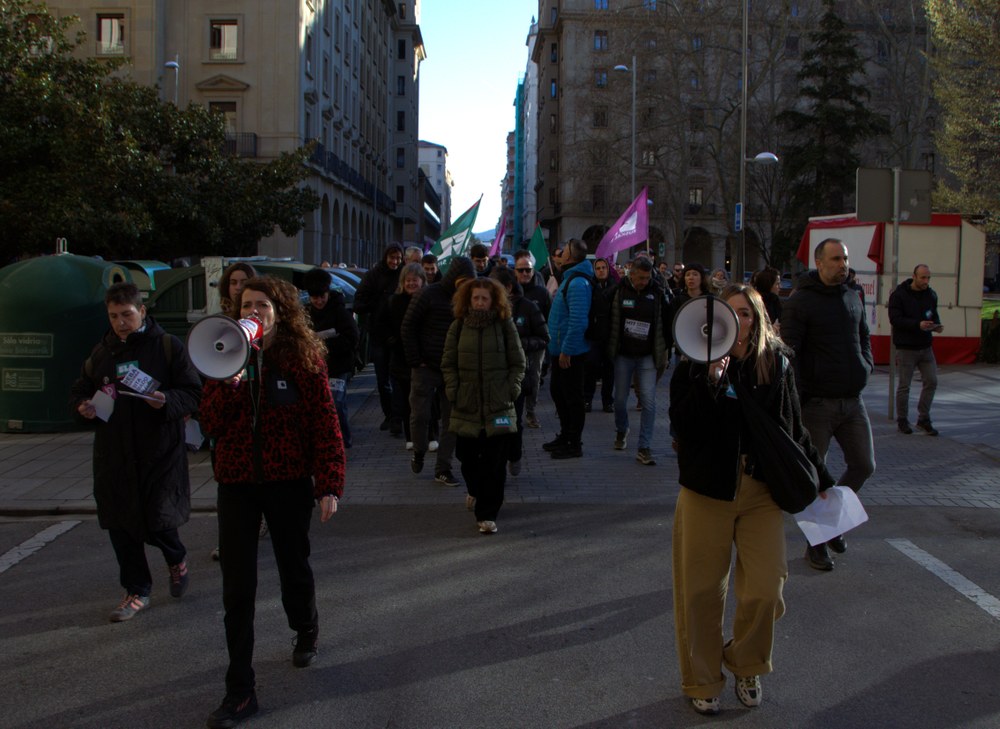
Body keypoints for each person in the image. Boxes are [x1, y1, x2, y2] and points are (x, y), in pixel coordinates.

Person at [669, 283, 834, 715]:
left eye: (746, 314)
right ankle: (702, 679)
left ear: (758, 319)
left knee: (766, 588)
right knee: (701, 593)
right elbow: (683, 427)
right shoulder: (692, 363)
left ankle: (746, 661)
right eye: (731, 313)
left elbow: (793, 430)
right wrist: (709, 379)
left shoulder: (775, 366)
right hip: (707, 491)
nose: (738, 322)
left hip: (761, 491)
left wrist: (823, 476)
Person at [199, 276, 345, 729]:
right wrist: (230, 382)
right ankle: (240, 690)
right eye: (246, 304)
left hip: (288, 481)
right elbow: (210, 424)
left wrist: (330, 483)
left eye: (263, 305)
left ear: (279, 311)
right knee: (237, 589)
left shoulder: (302, 358)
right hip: (237, 483)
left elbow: (325, 423)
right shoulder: (223, 355)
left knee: (292, 565)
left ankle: (305, 625)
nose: (254, 312)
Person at [70, 282, 202, 622]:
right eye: (113, 316)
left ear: (142, 311)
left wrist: (165, 401)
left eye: (127, 315)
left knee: (158, 521)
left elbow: (192, 393)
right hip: (114, 455)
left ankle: (177, 559)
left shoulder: (166, 346)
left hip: (158, 452)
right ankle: (136, 591)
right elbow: (80, 390)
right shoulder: (102, 352)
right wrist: (83, 406)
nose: (120, 323)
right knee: (120, 526)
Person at [781, 238, 875, 571]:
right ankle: (817, 545)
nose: (842, 264)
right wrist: (798, 398)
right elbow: (789, 355)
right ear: (819, 262)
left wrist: (866, 364)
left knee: (864, 465)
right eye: (836, 259)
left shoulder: (853, 295)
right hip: (817, 403)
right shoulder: (801, 301)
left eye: (845, 258)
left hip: (853, 400)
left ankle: (833, 522)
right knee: (814, 477)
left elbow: (863, 335)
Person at [442, 277, 525, 533]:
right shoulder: (457, 326)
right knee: (466, 458)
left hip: (498, 405)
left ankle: (487, 514)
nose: (479, 302)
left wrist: (511, 389)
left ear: (493, 301)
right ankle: (474, 490)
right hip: (466, 405)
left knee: (495, 462)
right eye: (475, 298)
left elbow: (518, 362)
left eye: (484, 298)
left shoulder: (504, 326)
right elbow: (448, 363)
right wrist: (454, 390)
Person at [401, 256, 477, 487]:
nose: (465, 286)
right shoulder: (428, 294)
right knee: (420, 415)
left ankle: (443, 467)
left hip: (453, 369)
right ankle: (419, 451)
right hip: (426, 366)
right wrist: (416, 360)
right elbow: (408, 326)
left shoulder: (468, 300)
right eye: (463, 281)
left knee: (451, 421)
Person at [605, 256, 671, 464]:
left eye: (647, 277)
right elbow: (604, 308)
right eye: (640, 277)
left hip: (647, 356)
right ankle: (621, 430)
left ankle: (644, 446)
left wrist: (666, 350)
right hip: (624, 354)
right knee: (621, 401)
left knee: (649, 403)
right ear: (631, 274)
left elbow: (668, 318)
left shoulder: (657, 292)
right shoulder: (619, 290)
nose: (644, 281)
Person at [492, 268, 549, 475]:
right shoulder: (488, 307)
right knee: (495, 424)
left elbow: (544, 337)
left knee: (512, 421)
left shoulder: (527, 307)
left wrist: (519, 344)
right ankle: (496, 465)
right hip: (491, 378)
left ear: (507, 287)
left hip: (516, 376)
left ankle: (514, 454)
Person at [544, 239, 594, 459]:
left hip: (570, 353)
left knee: (572, 397)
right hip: (560, 350)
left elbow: (578, 321)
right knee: (558, 392)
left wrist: (567, 350)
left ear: (570, 257)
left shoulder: (576, 283)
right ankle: (565, 435)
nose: (560, 254)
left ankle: (574, 443)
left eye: (563, 251)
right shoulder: (570, 278)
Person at [304, 267, 359, 448]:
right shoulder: (306, 314)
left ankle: (343, 440)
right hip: (315, 366)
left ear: (328, 293)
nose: (319, 301)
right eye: (315, 297)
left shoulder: (340, 312)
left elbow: (352, 337)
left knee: (336, 402)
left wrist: (325, 346)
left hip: (338, 365)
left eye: (322, 296)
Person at [354, 243, 404, 434]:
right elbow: (360, 303)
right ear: (386, 257)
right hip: (378, 334)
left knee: (397, 379)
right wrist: (378, 302)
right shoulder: (373, 276)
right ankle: (389, 415)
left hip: (397, 335)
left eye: (398, 258)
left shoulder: (403, 275)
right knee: (382, 379)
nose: (395, 262)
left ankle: (397, 417)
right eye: (392, 258)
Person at [888, 264, 943, 436]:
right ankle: (903, 420)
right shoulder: (900, 295)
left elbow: (933, 314)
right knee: (904, 386)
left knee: (932, 381)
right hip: (907, 348)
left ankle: (923, 418)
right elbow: (895, 319)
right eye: (923, 278)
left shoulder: (931, 295)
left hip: (925, 347)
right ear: (914, 276)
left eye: (928, 278)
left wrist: (936, 326)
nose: (926, 281)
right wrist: (917, 325)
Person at [385, 262, 429, 449]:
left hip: (424, 358)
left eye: (415, 280)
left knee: (425, 400)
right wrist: (393, 341)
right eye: (408, 280)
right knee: (405, 400)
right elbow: (384, 326)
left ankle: (429, 434)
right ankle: (410, 437)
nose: (411, 283)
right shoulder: (395, 301)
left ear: (422, 281)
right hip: (401, 358)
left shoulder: (428, 300)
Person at [514, 249, 551, 428]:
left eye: (528, 270)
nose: (525, 273)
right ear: (515, 271)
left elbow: (548, 317)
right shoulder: (510, 292)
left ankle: (531, 412)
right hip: (515, 345)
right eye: (521, 270)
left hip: (537, 344)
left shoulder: (541, 293)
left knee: (534, 378)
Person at [584, 257, 616, 413]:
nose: (601, 270)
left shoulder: (615, 287)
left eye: (604, 267)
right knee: (591, 368)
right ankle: (587, 400)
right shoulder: (589, 286)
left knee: (609, 371)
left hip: (610, 335)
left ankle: (607, 401)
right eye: (598, 268)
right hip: (594, 335)